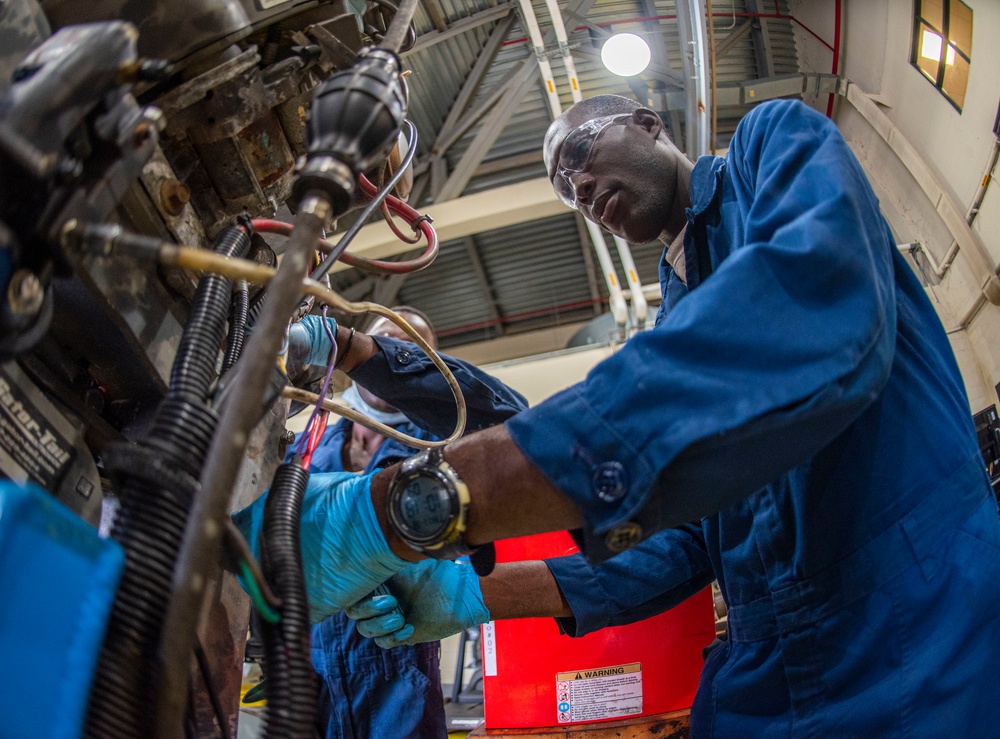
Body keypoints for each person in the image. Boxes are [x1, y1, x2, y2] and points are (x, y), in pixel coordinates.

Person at [257, 96, 1000, 736]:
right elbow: (686, 542)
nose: (579, 188)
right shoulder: (673, 318)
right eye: (567, 192)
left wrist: (418, 507)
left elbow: (816, 304)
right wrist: (474, 595)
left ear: (647, 123)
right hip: (768, 671)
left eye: (580, 155)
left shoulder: (769, 148)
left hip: (917, 621)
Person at [238, 306, 527, 739]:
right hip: (308, 661)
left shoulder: (443, 444)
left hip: (397, 654)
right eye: (388, 338)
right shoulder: (309, 443)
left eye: (412, 348)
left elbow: (510, 434)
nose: (397, 348)